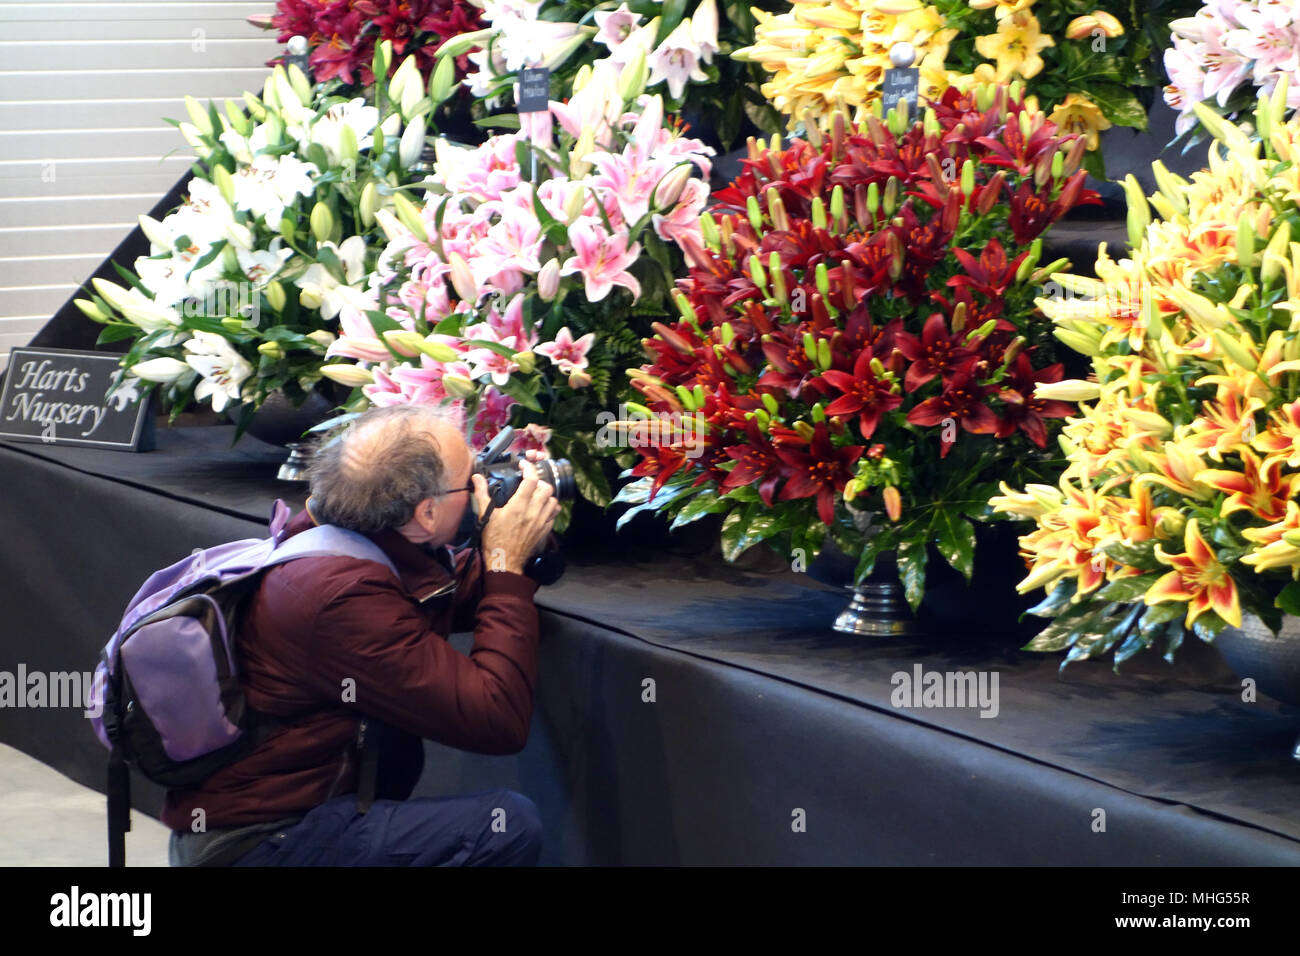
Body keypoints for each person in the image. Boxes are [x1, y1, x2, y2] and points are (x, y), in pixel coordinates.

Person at [164, 403, 561, 866]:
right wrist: (504, 562)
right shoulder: (337, 597)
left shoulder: (356, 532)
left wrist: (523, 530)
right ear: (426, 513)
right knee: (504, 825)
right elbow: (497, 719)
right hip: (261, 842)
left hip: (299, 814)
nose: (479, 485)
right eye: (471, 475)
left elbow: (468, 587)